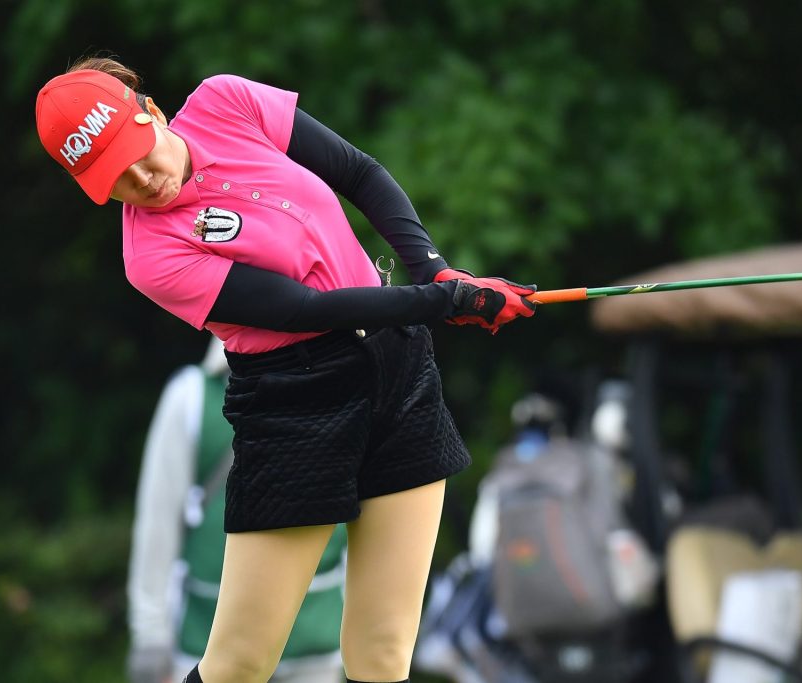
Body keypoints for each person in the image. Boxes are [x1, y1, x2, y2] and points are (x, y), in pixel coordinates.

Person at [35, 56, 536, 683]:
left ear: (152, 112)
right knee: (239, 664)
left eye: (139, 154)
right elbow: (305, 310)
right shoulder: (151, 256)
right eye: (116, 181)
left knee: (384, 653)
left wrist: (436, 272)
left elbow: (360, 172)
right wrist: (443, 302)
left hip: (398, 369)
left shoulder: (226, 103)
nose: (143, 180)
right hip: (296, 402)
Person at [127, 335, 347, 683]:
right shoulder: (192, 396)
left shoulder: (340, 384)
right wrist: (151, 634)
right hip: (207, 642)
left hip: (314, 641)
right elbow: (158, 522)